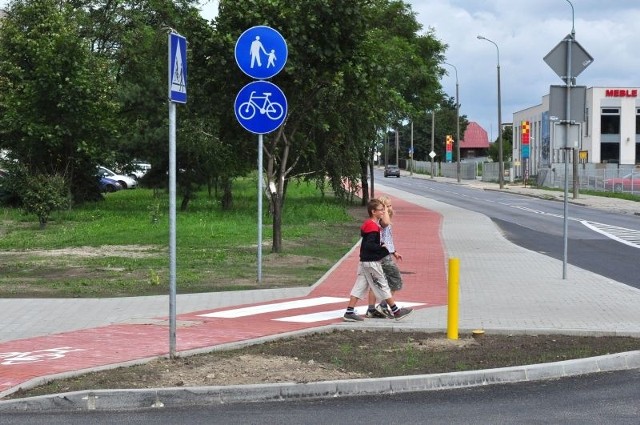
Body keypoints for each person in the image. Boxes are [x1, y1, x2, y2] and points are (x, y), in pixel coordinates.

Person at [343, 198, 413, 322]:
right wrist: (383, 248)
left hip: (364, 261)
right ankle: (396, 311)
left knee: (360, 285)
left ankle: (349, 311)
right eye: (381, 210)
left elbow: (367, 243)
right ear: (373, 211)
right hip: (371, 262)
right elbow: (369, 245)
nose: (383, 212)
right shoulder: (372, 226)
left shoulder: (369, 224)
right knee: (383, 284)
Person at [365, 195, 404, 319]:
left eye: (390, 206)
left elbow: (387, 238)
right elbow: (385, 223)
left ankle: (371, 309)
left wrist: (394, 251)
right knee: (395, 280)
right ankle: (383, 306)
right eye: (387, 206)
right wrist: (385, 210)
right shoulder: (381, 219)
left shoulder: (379, 219)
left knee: (376, 283)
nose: (390, 208)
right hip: (382, 256)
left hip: (382, 254)